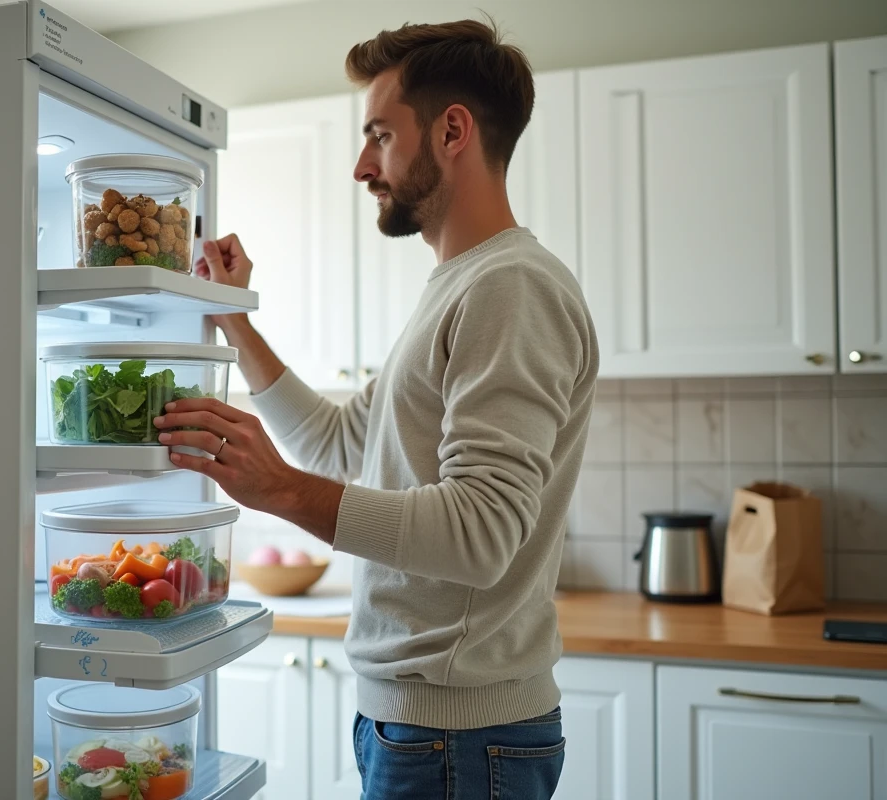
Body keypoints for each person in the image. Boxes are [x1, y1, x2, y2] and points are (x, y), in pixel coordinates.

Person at [152, 18, 598, 800]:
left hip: (461, 736)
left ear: (452, 130)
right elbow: (340, 442)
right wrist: (234, 321)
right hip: (427, 729)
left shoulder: (509, 287)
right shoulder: (461, 285)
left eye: (380, 135)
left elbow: (482, 531)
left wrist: (281, 491)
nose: (362, 165)